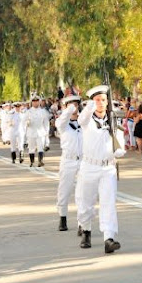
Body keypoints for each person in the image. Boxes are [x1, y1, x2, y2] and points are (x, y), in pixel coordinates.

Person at [77, 85, 126, 253]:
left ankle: (109, 238)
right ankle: (86, 229)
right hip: (89, 166)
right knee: (86, 202)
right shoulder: (87, 119)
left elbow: (120, 142)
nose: (100, 103)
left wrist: (119, 150)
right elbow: (80, 119)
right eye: (97, 100)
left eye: (103, 100)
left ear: (108, 102)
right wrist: (90, 105)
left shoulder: (113, 120)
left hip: (107, 167)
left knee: (109, 202)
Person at [55, 95, 83, 233]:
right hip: (68, 160)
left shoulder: (84, 122)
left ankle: (82, 223)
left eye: (76, 104)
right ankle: (63, 217)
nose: (74, 107)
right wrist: (69, 109)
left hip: (83, 161)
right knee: (64, 190)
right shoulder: (63, 125)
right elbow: (61, 121)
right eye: (71, 104)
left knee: (83, 192)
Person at [25, 94, 49, 167]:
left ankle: (40, 161)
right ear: (31, 102)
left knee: (40, 147)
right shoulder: (28, 112)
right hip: (31, 132)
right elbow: (24, 122)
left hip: (40, 132)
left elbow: (46, 123)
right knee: (31, 148)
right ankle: (32, 162)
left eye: (37, 101)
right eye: (34, 101)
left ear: (39, 102)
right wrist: (27, 123)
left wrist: (46, 132)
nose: (35, 103)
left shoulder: (43, 111)